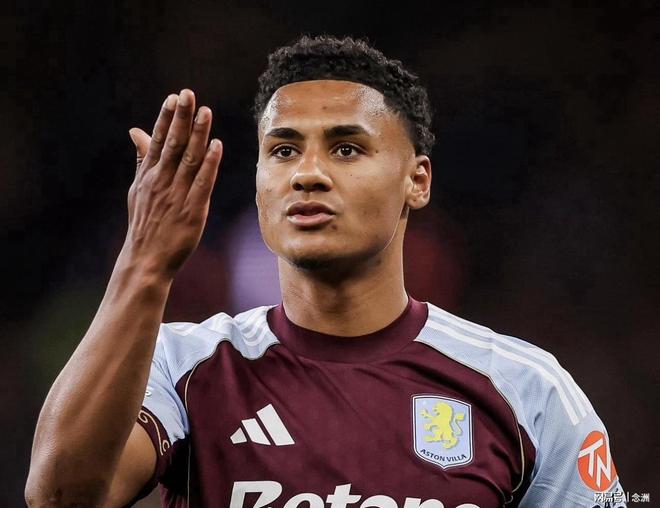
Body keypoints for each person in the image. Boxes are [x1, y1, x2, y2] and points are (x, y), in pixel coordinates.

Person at [26, 35, 626, 508]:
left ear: (417, 181)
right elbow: (61, 496)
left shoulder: (526, 390)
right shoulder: (182, 366)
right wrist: (144, 265)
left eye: (346, 148)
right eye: (283, 150)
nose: (307, 173)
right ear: (258, 182)